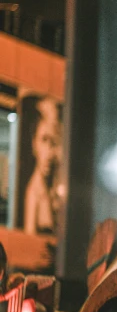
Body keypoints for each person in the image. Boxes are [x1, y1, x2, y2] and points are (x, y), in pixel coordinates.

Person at [23, 97, 63, 236]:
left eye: (53, 142)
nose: (48, 152)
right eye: (44, 140)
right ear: (34, 144)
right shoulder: (34, 191)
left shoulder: (57, 187)